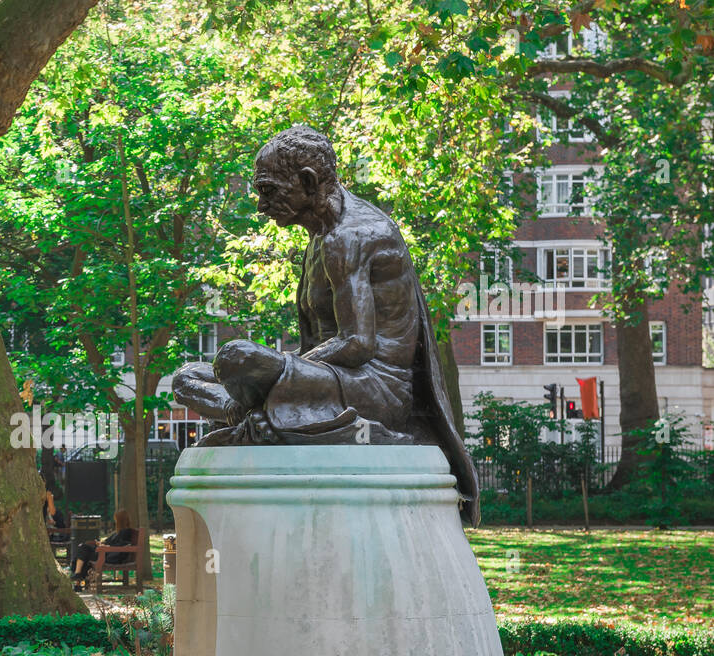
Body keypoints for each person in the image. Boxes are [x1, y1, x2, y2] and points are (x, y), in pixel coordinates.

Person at [169, 124, 477, 524]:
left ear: (309, 182)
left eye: (269, 190)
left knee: (236, 357)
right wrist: (288, 370)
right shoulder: (320, 237)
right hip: (335, 377)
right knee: (185, 377)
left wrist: (286, 369)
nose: (261, 206)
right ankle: (243, 412)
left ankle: (247, 410)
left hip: (377, 387)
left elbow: (356, 344)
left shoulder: (349, 237)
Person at [71, 509, 136, 591]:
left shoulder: (126, 532)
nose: (114, 521)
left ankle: (77, 576)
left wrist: (105, 546)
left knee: (83, 550)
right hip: (105, 552)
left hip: (110, 556)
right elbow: (108, 542)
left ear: (120, 520)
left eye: (116, 519)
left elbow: (122, 545)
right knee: (83, 551)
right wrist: (100, 544)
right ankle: (77, 581)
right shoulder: (117, 532)